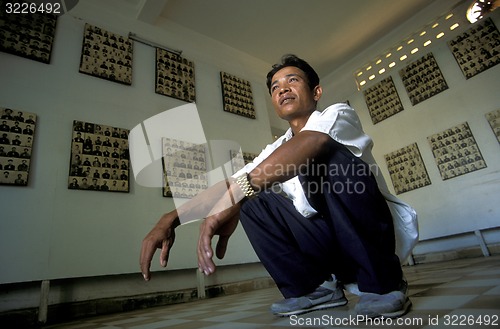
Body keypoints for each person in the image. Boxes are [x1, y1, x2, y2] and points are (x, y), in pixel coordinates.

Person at [140, 55, 413, 319]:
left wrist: (238, 192)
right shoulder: (276, 148)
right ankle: (315, 289)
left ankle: (383, 284)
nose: (282, 89)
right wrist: (171, 218)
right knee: (252, 196)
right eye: (275, 87)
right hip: (326, 244)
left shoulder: (338, 113)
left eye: (292, 80)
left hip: (373, 241)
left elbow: (312, 143)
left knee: (321, 159)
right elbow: (231, 184)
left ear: (316, 91)